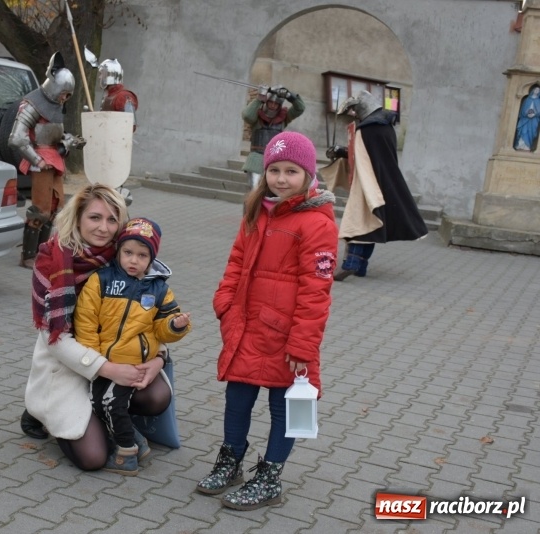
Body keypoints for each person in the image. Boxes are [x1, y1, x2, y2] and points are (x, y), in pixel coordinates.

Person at [196, 131, 338, 511]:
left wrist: (303, 344)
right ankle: (230, 461)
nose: (281, 178)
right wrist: (225, 304)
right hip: (248, 328)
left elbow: (316, 291)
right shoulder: (258, 210)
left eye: (291, 171)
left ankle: (270, 477)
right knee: (237, 400)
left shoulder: (317, 223)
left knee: (283, 408)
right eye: (274, 170)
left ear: (308, 174)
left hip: (288, 338)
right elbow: (236, 262)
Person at [21, 184, 174, 472]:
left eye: (112, 220)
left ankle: (105, 414)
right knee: (93, 458)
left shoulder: (127, 256)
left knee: (156, 396)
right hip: (68, 363)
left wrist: (158, 358)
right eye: (94, 217)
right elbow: (54, 340)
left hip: (116, 353)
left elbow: (151, 317)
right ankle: (39, 411)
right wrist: (108, 369)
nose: (104, 228)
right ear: (78, 217)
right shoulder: (52, 259)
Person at [75, 217, 192, 475]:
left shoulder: (159, 289)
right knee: (97, 403)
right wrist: (95, 359)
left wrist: (175, 326)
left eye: (142, 255)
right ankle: (137, 441)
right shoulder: (102, 280)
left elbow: (161, 328)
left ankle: (126, 454)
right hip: (103, 362)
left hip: (134, 364)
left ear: (151, 259)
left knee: (111, 403)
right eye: (128, 252)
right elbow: (86, 321)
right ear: (118, 250)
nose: (133, 260)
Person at [325, 90, 428, 280]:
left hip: (368, 183)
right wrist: (342, 152)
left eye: (356, 111)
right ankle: (361, 267)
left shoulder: (366, 130)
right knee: (371, 225)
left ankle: (351, 264)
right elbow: (369, 155)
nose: (355, 115)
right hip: (382, 180)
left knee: (359, 223)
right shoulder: (385, 126)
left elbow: (362, 158)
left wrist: (341, 152)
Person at [9, 52, 85, 269]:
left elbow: (54, 135)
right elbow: (17, 138)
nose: (64, 98)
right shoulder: (32, 104)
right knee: (40, 210)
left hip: (54, 159)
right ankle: (28, 255)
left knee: (54, 209)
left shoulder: (56, 106)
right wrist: (37, 160)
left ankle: (42, 253)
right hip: (40, 161)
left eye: (68, 95)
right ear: (54, 87)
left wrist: (70, 141)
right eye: (63, 93)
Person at [241, 85, 305, 189]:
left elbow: (300, 108)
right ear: (266, 102)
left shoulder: (284, 118)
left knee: (271, 191)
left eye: (276, 104)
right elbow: (247, 115)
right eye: (271, 102)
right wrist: (260, 98)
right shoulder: (256, 116)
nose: (273, 106)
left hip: (275, 158)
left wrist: (289, 96)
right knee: (254, 189)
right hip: (256, 158)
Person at [98, 58, 139, 131]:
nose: (100, 77)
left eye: (102, 74)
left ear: (110, 75)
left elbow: (129, 126)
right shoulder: (109, 96)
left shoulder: (124, 96)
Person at [514, 84, 540, 151]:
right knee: (523, 131)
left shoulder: (538, 101)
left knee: (531, 132)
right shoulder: (527, 99)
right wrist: (526, 114)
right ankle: (520, 145)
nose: (537, 91)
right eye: (536, 89)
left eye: (538, 90)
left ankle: (528, 146)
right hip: (525, 119)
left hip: (534, 120)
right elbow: (522, 110)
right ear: (533, 90)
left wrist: (534, 114)